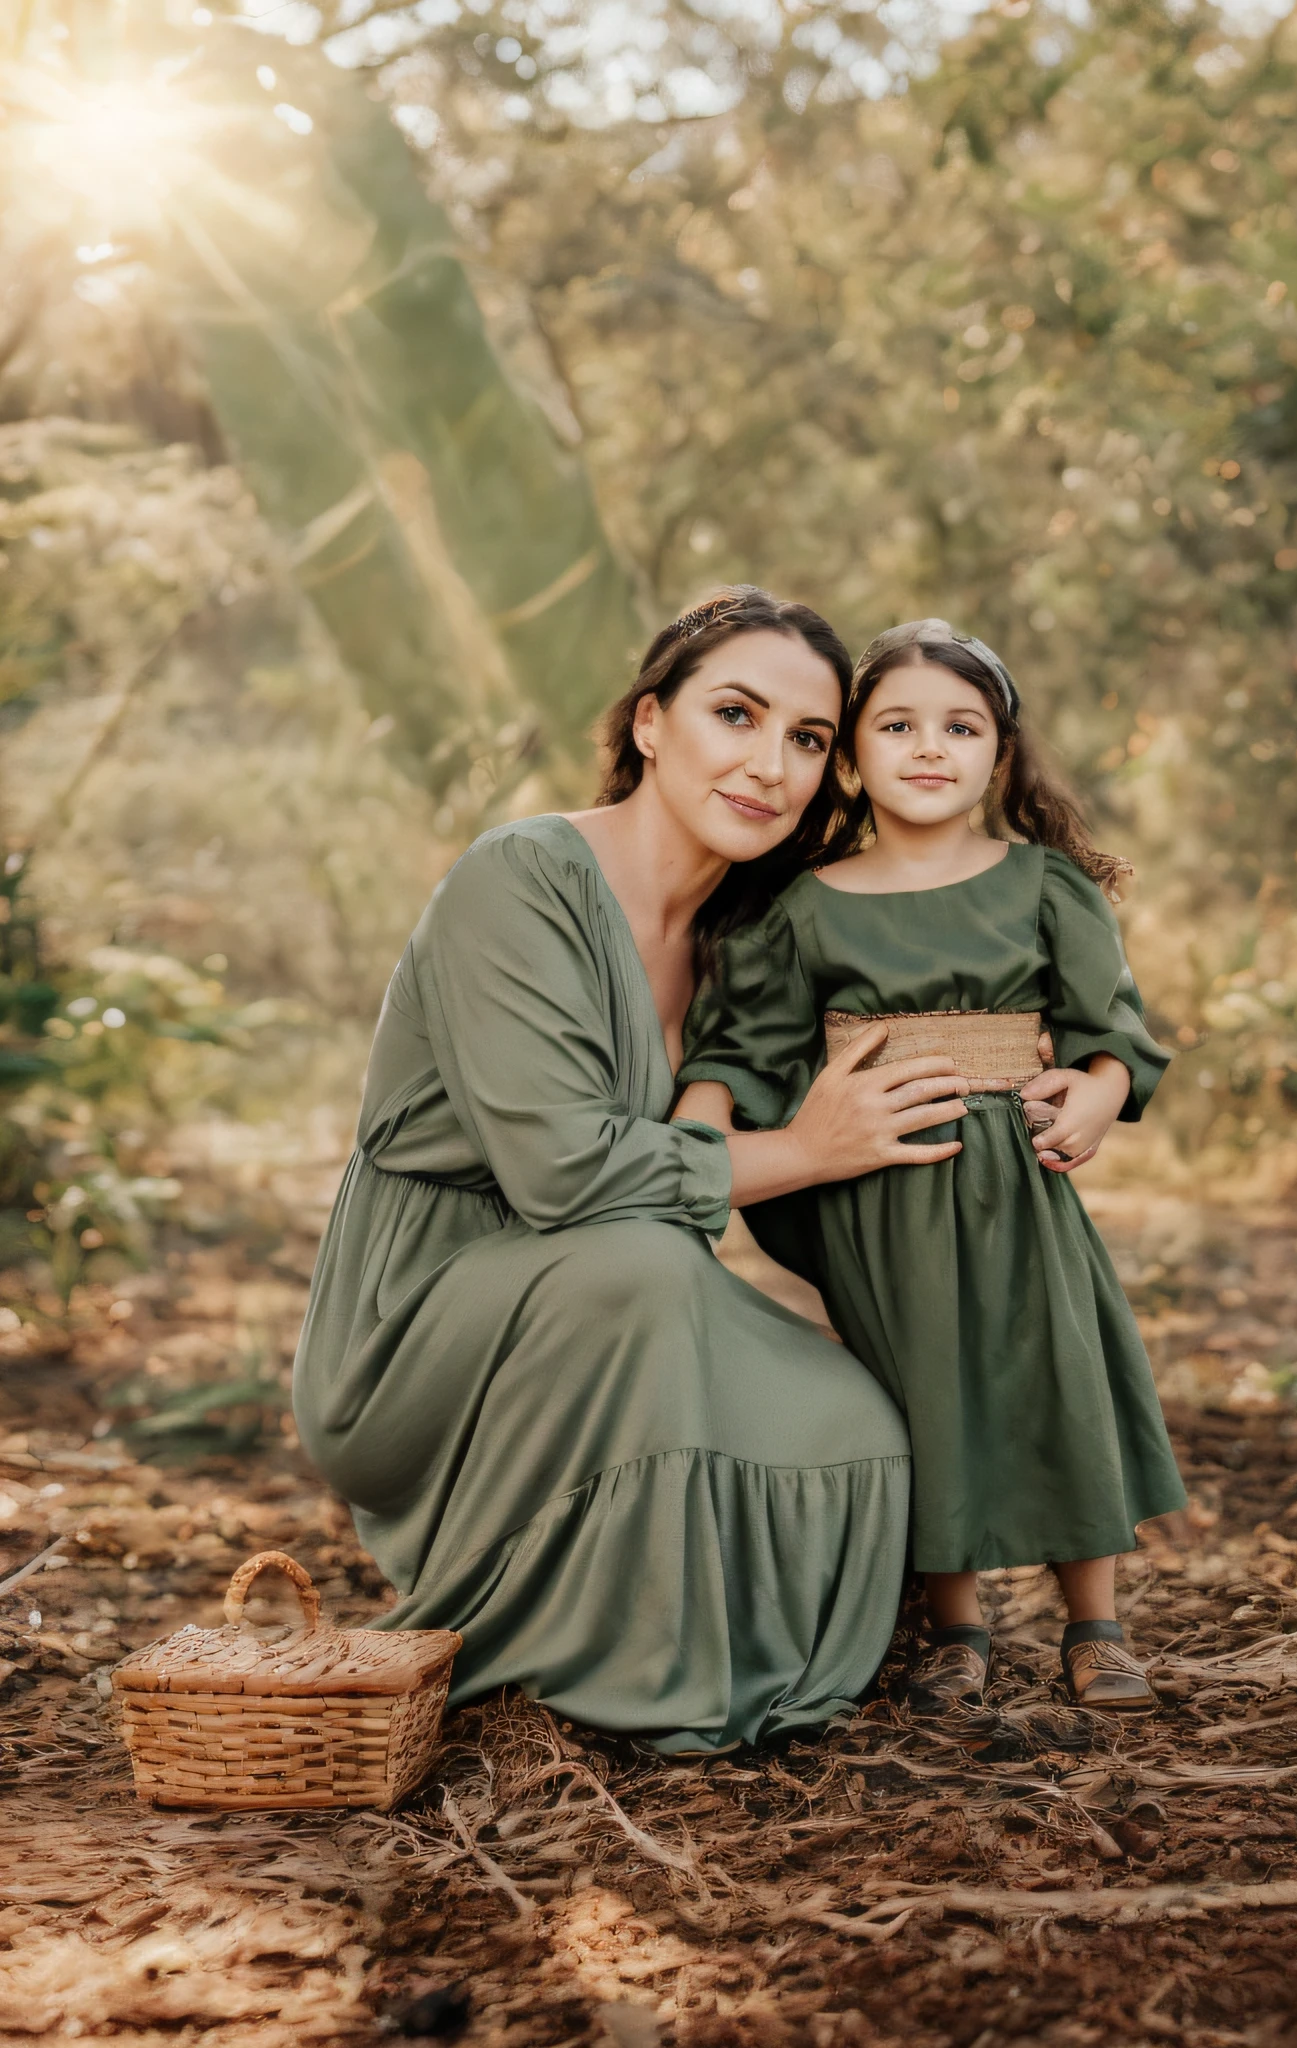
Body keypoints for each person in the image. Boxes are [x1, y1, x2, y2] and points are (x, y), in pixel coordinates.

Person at [294, 588, 986, 1755]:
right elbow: (561, 1173)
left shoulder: (751, 938)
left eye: (808, 739)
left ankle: (745, 1649)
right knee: (639, 1270)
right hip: (417, 1322)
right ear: (651, 721)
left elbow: (924, 1046)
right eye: (735, 713)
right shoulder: (516, 880)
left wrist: (1087, 1075)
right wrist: (801, 1148)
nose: (769, 763)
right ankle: (605, 1666)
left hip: (633, 1294)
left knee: (857, 1420)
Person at [676, 619, 1187, 1722]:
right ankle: (957, 1628)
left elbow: (1113, 1031)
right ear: (850, 757)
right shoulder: (803, 906)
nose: (927, 747)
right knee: (920, 1387)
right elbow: (746, 1045)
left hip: (1013, 1176)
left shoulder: (1045, 887)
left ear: (997, 755)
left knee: (1051, 1367)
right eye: (895, 724)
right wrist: (697, 1129)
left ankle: (1093, 1622)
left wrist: (1097, 1091)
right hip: (881, 1187)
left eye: (959, 727)